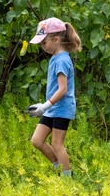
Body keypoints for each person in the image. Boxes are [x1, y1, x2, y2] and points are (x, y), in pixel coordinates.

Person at [26, 17, 81, 177]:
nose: (43, 47)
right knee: (37, 140)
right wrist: (45, 106)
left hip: (61, 109)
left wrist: (44, 106)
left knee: (57, 144)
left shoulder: (62, 60)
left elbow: (63, 89)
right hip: (52, 109)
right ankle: (59, 167)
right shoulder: (55, 58)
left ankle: (66, 180)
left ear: (56, 40)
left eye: (44, 43)